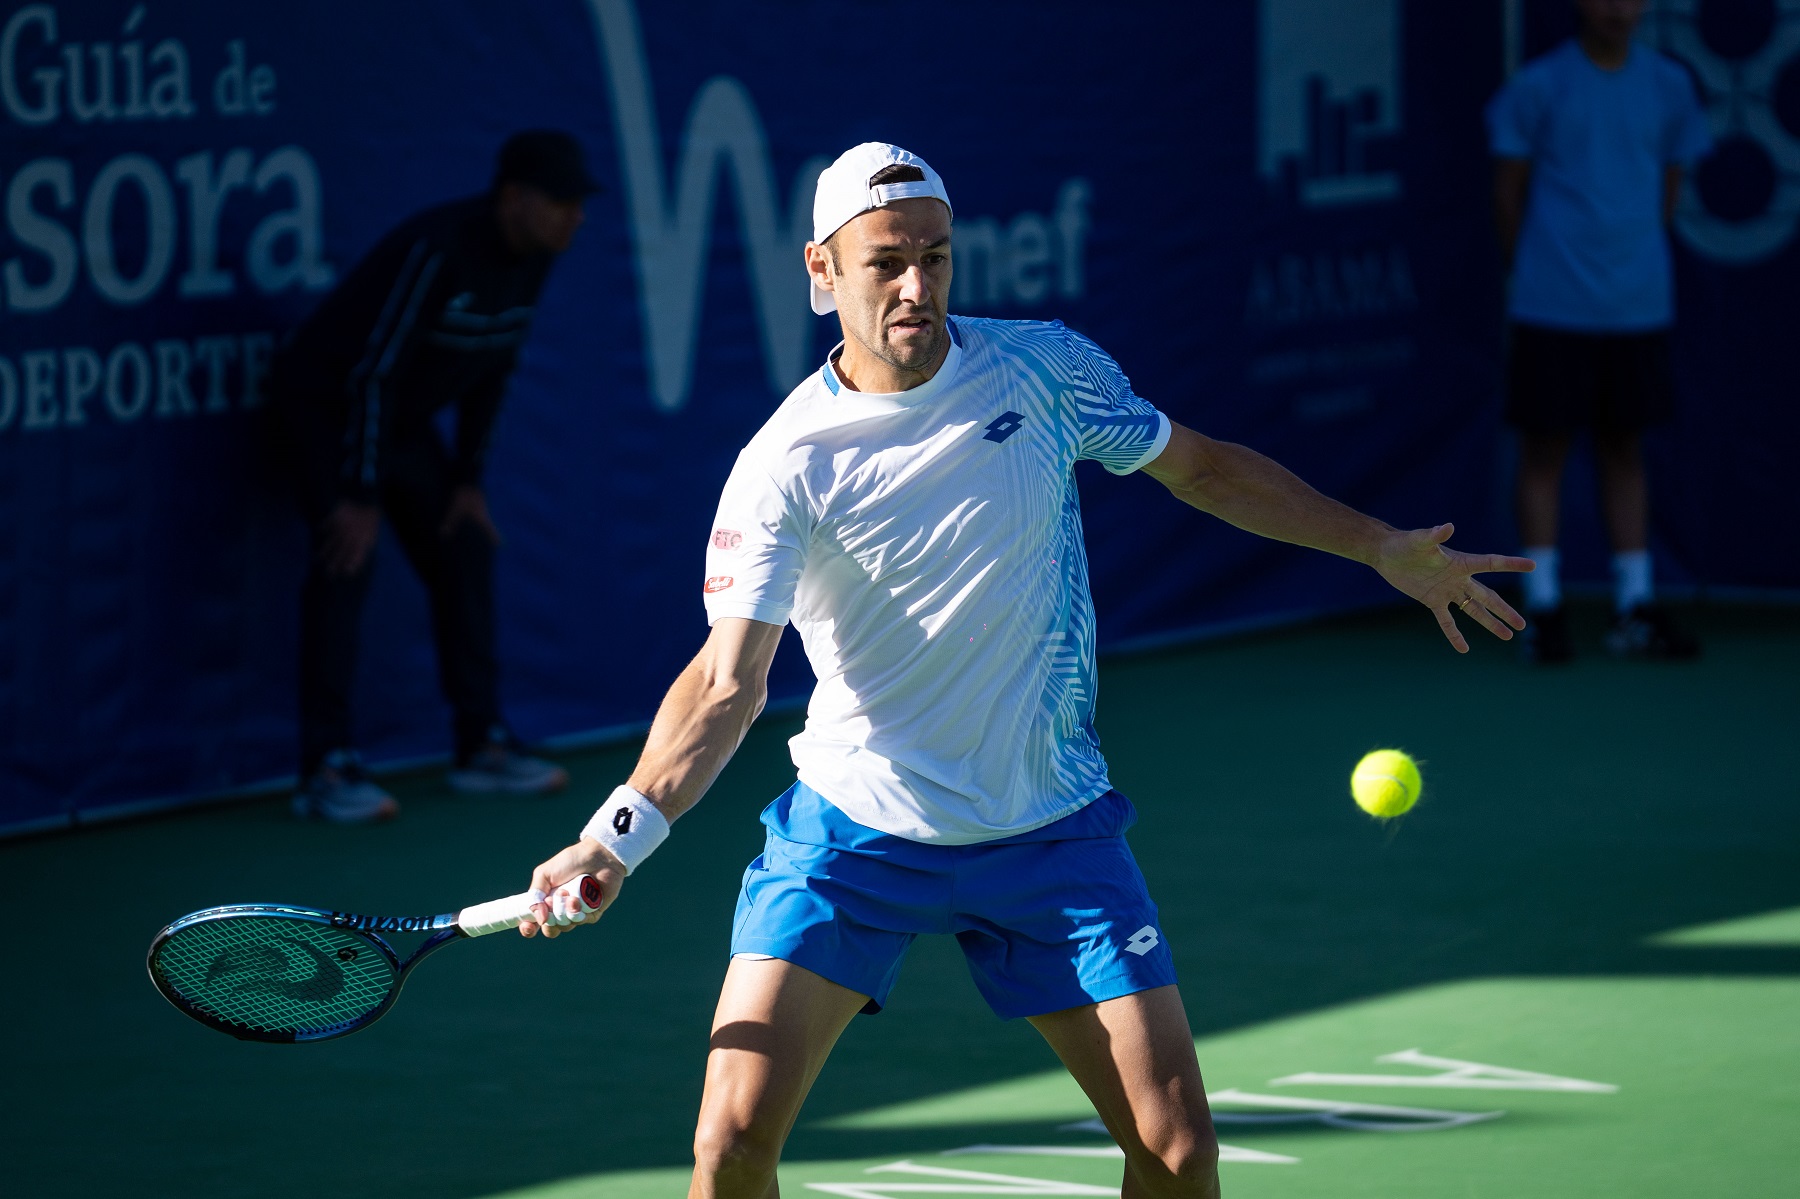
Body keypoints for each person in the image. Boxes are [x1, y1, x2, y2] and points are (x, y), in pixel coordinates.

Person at [516, 143, 1531, 1199]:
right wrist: (614, 838)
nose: (917, 288)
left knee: (1178, 1150)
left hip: (1048, 826)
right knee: (729, 1144)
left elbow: (1203, 468)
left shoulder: (1042, 369)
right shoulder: (785, 465)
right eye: (886, 263)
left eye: (936, 257)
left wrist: (1378, 545)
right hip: (855, 833)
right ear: (823, 271)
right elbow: (727, 684)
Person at [271, 130, 598, 823]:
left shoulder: (537, 256)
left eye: (579, 203)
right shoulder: (437, 249)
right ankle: (325, 766)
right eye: (561, 201)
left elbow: (493, 371)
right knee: (345, 559)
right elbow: (372, 373)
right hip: (323, 409)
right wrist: (358, 492)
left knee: (464, 542)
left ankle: (481, 746)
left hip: (399, 425)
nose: (576, 216)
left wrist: (467, 482)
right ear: (514, 197)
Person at [1487, 0, 1710, 663]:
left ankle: (1633, 607)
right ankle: (1543, 609)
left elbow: (1668, 186)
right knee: (1544, 452)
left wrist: (1628, 262)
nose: (1617, 8)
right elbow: (1507, 192)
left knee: (1624, 449)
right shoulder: (1538, 85)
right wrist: (1537, 275)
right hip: (1552, 308)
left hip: (1637, 307)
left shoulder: (1670, 84)